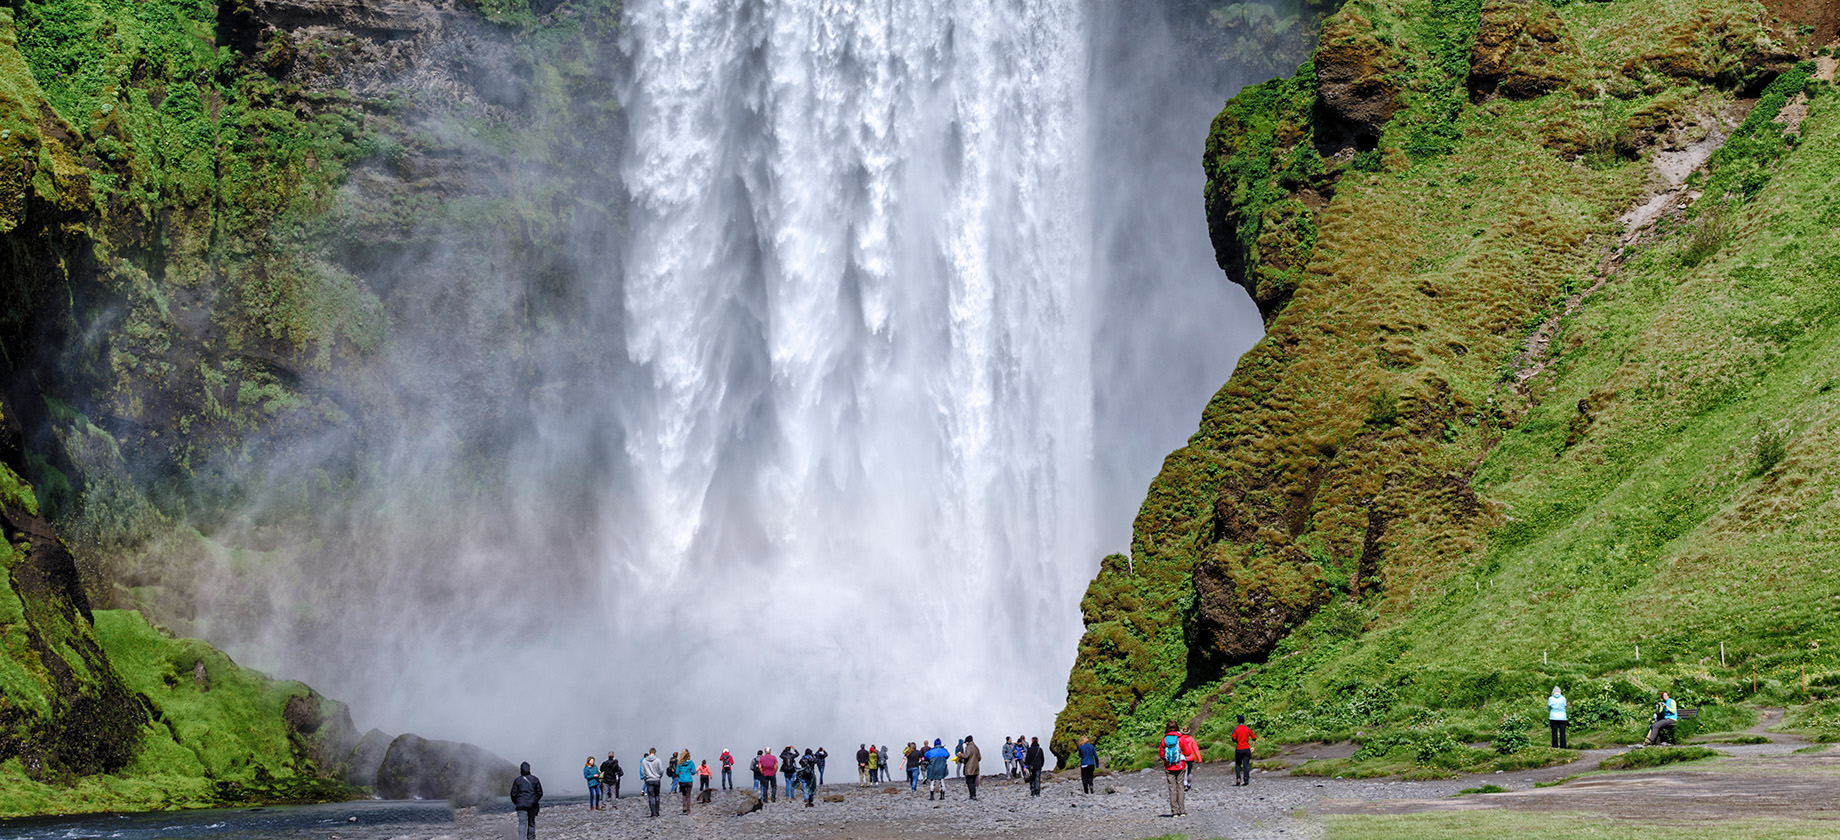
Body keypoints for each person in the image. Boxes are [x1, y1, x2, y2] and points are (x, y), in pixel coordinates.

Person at [509, 761, 542, 840]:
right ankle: (531, 838)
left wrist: (517, 802)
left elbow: (513, 794)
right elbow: (540, 792)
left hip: (521, 805)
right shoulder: (535, 779)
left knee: (522, 824)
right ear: (529, 769)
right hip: (532, 805)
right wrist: (535, 800)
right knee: (531, 823)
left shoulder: (517, 780)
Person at [1161, 721, 1187, 817]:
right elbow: (1187, 751)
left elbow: (1161, 754)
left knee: (1172, 788)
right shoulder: (1181, 738)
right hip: (1180, 765)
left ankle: (1174, 812)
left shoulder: (1165, 739)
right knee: (1180, 787)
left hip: (1169, 766)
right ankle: (1182, 811)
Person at [1231, 715, 1256, 786]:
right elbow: (1254, 738)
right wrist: (1252, 747)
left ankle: (1238, 777)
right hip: (1246, 748)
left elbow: (1233, 738)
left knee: (1238, 764)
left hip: (1239, 748)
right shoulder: (1247, 728)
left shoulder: (1236, 729)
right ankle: (1246, 780)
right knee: (1246, 765)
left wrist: (1237, 741)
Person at [640, 748, 665, 817]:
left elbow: (642, 771)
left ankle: (653, 812)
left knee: (650, 796)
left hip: (649, 780)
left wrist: (645, 777)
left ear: (649, 752)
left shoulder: (644, 761)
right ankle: (657, 811)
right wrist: (659, 776)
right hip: (656, 780)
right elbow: (661, 770)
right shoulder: (658, 760)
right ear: (655, 753)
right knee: (657, 795)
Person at [1179, 726, 1202, 791]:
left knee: (1184, 772)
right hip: (1191, 758)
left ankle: (1185, 784)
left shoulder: (1180, 739)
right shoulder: (1191, 739)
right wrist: (1199, 758)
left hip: (1183, 757)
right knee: (1189, 772)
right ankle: (1189, 784)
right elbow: (1196, 749)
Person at [675, 749, 696, 814]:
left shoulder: (679, 763)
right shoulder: (691, 763)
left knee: (683, 794)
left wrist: (681, 775)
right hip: (689, 780)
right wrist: (690, 773)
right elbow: (694, 772)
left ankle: (684, 806)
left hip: (682, 780)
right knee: (688, 795)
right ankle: (688, 810)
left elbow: (676, 772)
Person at [961, 735, 982, 800]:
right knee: (973, 781)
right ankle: (974, 795)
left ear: (967, 742)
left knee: (969, 782)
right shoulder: (976, 747)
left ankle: (972, 795)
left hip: (969, 767)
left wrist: (960, 755)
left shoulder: (968, 747)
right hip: (976, 767)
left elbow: (966, 756)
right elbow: (979, 758)